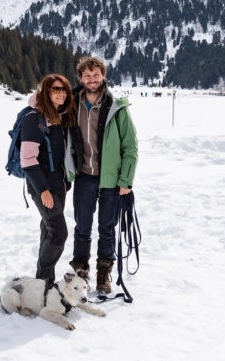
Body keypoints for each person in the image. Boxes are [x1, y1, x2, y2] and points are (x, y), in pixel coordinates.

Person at [68, 56, 138, 294]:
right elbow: (43, 101)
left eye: (96, 74)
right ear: (80, 78)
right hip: (84, 175)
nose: (92, 79)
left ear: (103, 75)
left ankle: (103, 273)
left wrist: (126, 180)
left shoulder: (117, 107)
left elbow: (130, 147)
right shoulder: (71, 104)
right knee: (82, 227)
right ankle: (80, 271)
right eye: (87, 75)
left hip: (110, 179)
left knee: (107, 228)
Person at [19, 73, 77, 286]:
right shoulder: (33, 119)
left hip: (59, 185)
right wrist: (43, 190)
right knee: (59, 233)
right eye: (55, 89)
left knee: (48, 228)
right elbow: (28, 160)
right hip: (42, 186)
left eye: (63, 89)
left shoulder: (59, 116)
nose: (61, 93)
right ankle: (42, 282)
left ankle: (44, 282)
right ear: (45, 92)